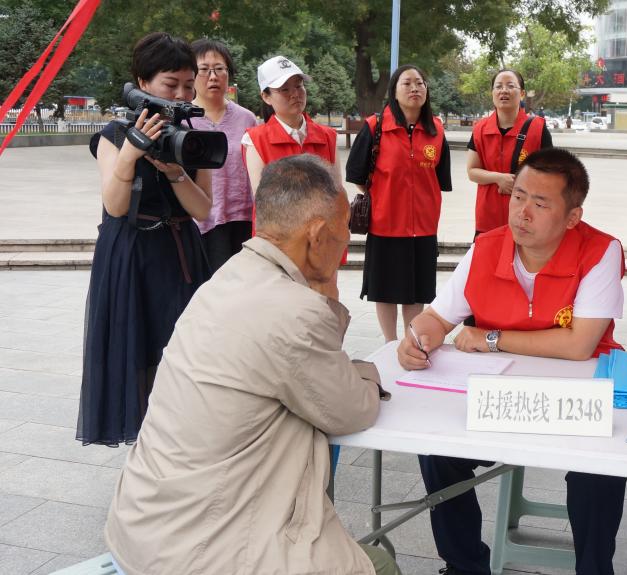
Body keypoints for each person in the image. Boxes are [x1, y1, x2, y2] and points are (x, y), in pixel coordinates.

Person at [104, 154, 399, 575]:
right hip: (201, 554)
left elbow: (303, 372)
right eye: (343, 232)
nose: (346, 245)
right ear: (317, 236)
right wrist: (365, 370)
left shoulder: (226, 277)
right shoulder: (295, 310)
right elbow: (352, 409)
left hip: (142, 527)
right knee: (380, 564)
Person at [398, 148, 627, 575]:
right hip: (499, 394)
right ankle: (465, 564)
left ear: (572, 217)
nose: (522, 212)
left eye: (540, 203)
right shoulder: (486, 247)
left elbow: (579, 345)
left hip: (578, 399)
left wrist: (491, 339)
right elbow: (437, 318)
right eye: (518, 196)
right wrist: (416, 338)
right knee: (437, 451)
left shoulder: (600, 251)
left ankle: (594, 568)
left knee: (601, 468)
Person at [77, 32, 213, 447]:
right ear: (142, 82)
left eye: (188, 85)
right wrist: (131, 153)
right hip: (131, 254)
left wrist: (176, 172)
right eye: (171, 84)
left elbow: (202, 209)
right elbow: (116, 206)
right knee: (135, 349)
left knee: (185, 350)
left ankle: (183, 438)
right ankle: (146, 444)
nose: (182, 94)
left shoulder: (194, 135)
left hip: (181, 253)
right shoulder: (113, 135)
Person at [346, 64, 452, 342]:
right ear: (394, 91)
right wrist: (382, 196)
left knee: (416, 290)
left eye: (420, 83)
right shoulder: (375, 127)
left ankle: (410, 341)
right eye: (407, 83)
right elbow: (356, 174)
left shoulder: (436, 130)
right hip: (385, 224)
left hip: (424, 225)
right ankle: (389, 342)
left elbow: (440, 178)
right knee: (385, 289)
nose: (415, 88)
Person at [243, 55, 341, 229]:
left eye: (299, 85)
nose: (295, 94)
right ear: (266, 97)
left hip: (322, 235)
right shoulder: (255, 140)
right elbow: (263, 201)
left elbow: (337, 192)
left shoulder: (328, 136)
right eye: (284, 89)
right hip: (278, 236)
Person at [190, 38, 259, 271]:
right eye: (204, 70)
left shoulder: (246, 119)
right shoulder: (185, 120)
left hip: (242, 219)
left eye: (220, 69)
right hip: (200, 222)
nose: (213, 77)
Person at [467, 68, 552, 236]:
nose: (504, 90)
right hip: (487, 218)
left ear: (522, 94)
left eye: (510, 86)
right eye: (498, 86)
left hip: (526, 219)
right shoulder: (480, 129)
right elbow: (472, 171)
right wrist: (498, 178)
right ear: (492, 93)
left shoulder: (538, 128)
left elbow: (550, 174)